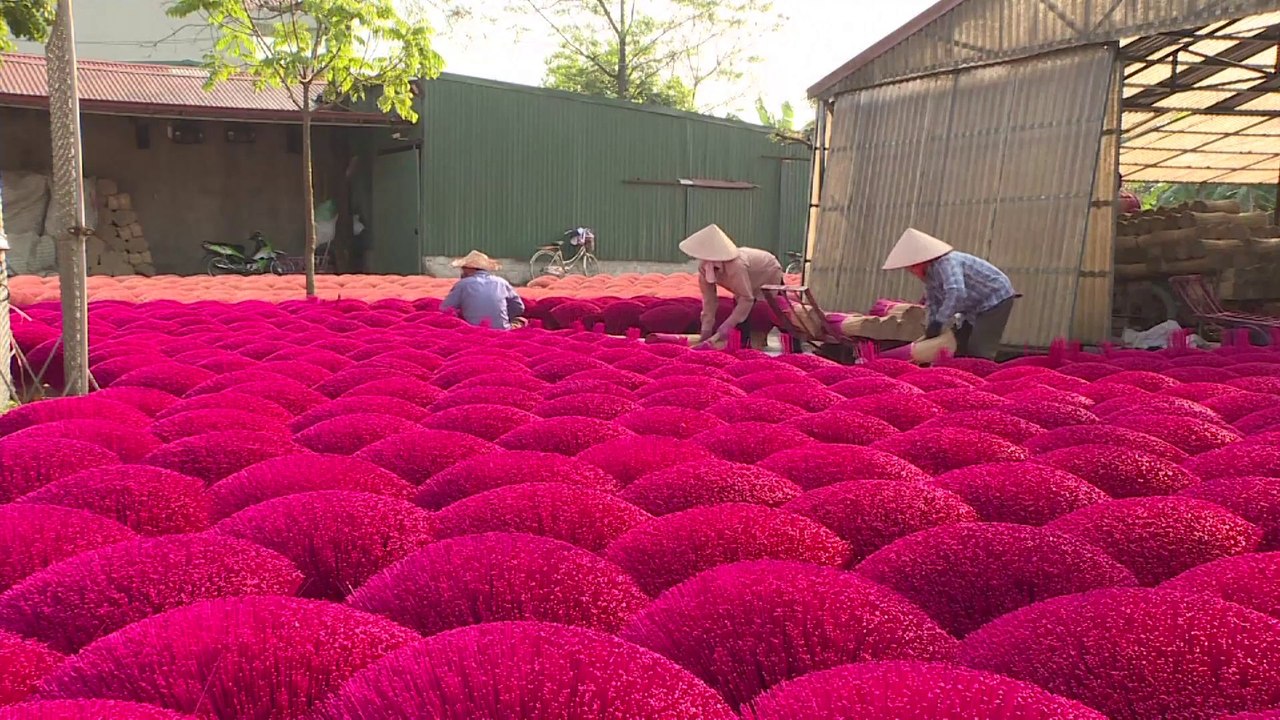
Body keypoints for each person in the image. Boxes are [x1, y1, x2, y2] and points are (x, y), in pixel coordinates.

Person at [882, 228, 1016, 361]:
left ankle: (984, 375)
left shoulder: (946, 263)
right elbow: (933, 302)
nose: (911, 271)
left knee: (979, 348)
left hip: (995, 298)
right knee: (961, 345)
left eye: (911, 267)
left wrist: (940, 320)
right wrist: (932, 325)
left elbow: (956, 292)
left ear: (921, 261)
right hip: (973, 307)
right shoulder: (930, 276)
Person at [679, 224, 785, 350]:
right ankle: (743, 346)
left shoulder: (735, 266)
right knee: (740, 314)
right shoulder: (704, 268)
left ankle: (794, 346)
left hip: (768, 270)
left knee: (780, 310)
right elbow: (709, 300)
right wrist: (706, 330)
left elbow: (746, 298)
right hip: (747, 279)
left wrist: (727, 325)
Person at [440, 250, 526, 330]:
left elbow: (445, 309)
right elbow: (519, 308)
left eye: (463, 268)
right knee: (522, 321)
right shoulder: (501, 282)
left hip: (472, 331)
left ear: (469, 269)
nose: (462, 271)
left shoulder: (463, 284)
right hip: (502, 329)